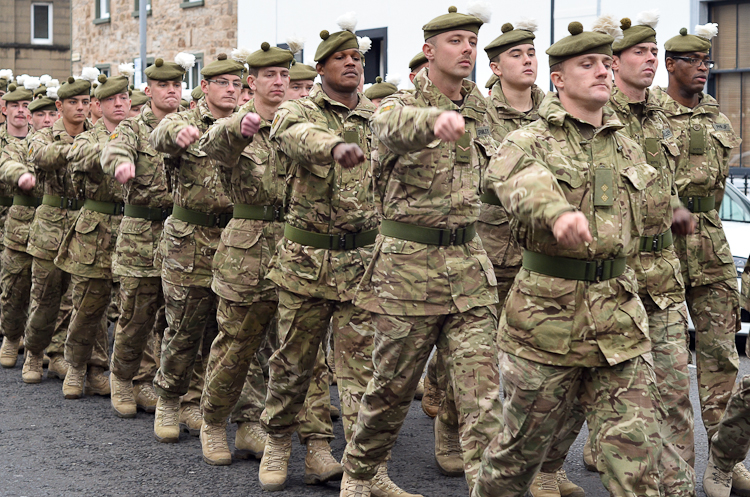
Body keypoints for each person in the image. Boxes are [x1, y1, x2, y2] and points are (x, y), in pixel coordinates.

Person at [471, 19, 692, 497]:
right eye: (586, 64)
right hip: (547, 324)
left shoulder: (629, 146)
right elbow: (519, 182)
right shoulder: (527, 141)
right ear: (558, 79)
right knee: (517, 456)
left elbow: (649, 219)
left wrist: (674, 216)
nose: (601, 72)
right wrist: (556, 215)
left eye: (605, 64)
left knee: (638, 457)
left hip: (619, 321)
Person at [340, 6, 504, 497]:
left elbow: (507, 166)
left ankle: (487, 487)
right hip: (407, 272)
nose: (468, 50)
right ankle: (361, 473)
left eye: (472, 42)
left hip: (469, 268)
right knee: (390, 390)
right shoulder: (398, 102)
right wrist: (435, 120)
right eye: (456, 41)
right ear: (430, 50)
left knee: (482, 397)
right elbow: (391, 129)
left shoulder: (482, 108)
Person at [259, 14, 417, 496]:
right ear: (321, 67)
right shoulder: (297, 111)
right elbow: (295, 139)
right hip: (307, 261)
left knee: (363, 374)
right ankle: (279, 442)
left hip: (362, 265)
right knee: (293, 365)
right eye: (340, 59)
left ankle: (368, 471)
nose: (351, 65)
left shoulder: (378, 117)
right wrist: (333, 146)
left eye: (357, 58)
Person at [651, 23, 748, 491]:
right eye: (693, 61)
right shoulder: (649, 113)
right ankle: (674, 468)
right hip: (661, 245)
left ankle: (726, 460)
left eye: (707, 61)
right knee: (665, 365)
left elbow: (722, 180)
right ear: (670, 64)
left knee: (722, 359)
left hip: (709, 243)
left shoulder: (717, 118)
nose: (704, 68)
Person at [147, 53, 242, 444]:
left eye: (237, 83)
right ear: (205, 87)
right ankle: (168, 398)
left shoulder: (246, 122)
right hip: (191, 242)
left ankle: (204, 402)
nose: (231, 90)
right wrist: (178, 138)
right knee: (185, 328)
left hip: (237, 241)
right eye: (223, 83)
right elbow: (161, 136)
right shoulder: (183, 120)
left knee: (226, 331)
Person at [103, 54, 187, 419]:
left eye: (176, 85)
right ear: (148, 90)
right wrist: (121, 165)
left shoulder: (191, 125)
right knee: (136, 314)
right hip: (142, 234)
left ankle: (160, 384)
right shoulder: (133, 129)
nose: (171, 91)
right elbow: (114, 150)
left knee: (177, 319)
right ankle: (122, 378)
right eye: (164, 85)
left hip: (182, 235)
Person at [23, 71, 112, 399]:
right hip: (52, 224)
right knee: (46, 298)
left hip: (88, 224)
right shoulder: (42, 135)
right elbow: (42, 157)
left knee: (90, 300)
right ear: (59, 105)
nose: (79, 107)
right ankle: (34, 351)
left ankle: (94, 367)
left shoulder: (100, 134)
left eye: (84, 102)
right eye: (72, 102)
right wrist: (78, 151)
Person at [54, 73, 131, 400]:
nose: (119, 104)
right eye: (112, 100)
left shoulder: (139, 133)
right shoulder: (88, 137)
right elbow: (78, 157)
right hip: (95, 228)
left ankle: (103, 370)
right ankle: (75, 365)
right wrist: (113, 152)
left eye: (124, 98)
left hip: (130, 230)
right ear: (98, 106)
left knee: (129, 308)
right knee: (88, 305)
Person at [0, 80, 34, 368]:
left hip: (41, 222)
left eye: (26, 106)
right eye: (15, 106)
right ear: (4, 109)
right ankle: (11, 336)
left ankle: (37, 346)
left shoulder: (41, 140)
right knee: (13, 287)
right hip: (9, 220)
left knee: (45, 289)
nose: (21, 111)